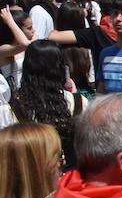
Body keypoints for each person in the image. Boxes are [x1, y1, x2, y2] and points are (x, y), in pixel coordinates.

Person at [10, 39, 85, 169]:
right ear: (59, 68)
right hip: (69, 176)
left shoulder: (13, 107)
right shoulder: (78, 102)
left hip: (30, 175)